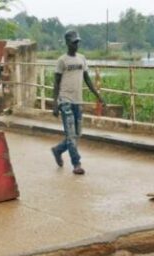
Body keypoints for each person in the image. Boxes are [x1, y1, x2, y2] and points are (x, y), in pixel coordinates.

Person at [51, 30, 104, 176]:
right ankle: (77, 163)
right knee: (71, 135)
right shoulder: (62, 61)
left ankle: (58, 150)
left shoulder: (82, 59)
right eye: (74, 42)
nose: (76, 45)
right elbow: (56, 83)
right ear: (67, 43)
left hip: (78, 101)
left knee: (77, 134)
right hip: (65, 100)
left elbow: (87, 78)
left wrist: (97, 95)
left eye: (77, 42)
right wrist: (55, 103)